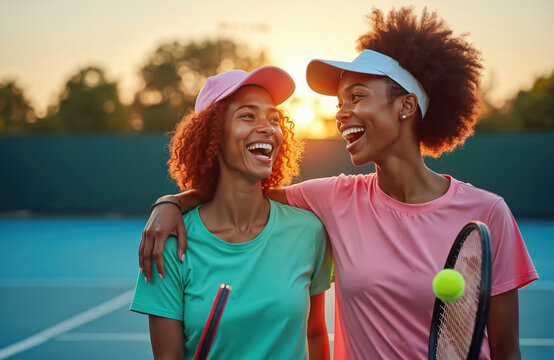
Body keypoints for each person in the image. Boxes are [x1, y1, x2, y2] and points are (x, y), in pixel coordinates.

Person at [139, 8, 538, 359]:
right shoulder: (333, 199)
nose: (342, 113)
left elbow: (506, 349)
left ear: (405, 105)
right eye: (339, 103)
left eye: (357, 96)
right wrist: (171, 202)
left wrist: (171, 203)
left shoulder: (487, 213)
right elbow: (239, 189)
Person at [131, 66, 332, 360]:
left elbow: (314, 333)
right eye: (248, 115)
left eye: (273, 118)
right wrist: (170, 202)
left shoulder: (308, 231)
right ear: (213, 135)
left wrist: (170, 201)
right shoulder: (170, 244)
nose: (267, 127)